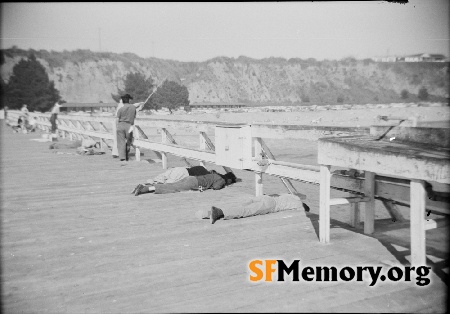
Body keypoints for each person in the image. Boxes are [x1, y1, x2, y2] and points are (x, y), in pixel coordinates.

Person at [195, 193, 310, 224]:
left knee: (242, 206)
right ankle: (219, 212)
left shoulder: (293, 197)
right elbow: (300, 214)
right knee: (246, 212)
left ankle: (208, 213)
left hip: (267, 197)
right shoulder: (299, 206)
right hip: (272, 205)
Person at [133, 171, 237, 196]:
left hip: (191, 178)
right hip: (194, 183)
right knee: (173, 189)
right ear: (229, 179)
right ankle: (145, 189)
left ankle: (147, 186)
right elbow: (216, 187)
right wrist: (224, 185)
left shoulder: (214, 174)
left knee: (171, 185)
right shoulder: (221, 180)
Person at [144, 165, 214, 185]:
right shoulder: (205, 174)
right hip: (184, 173)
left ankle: (151, 181)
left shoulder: (201, 167)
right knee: (170, 182)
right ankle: (154, 185)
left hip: (180, 168)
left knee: (164, 175)